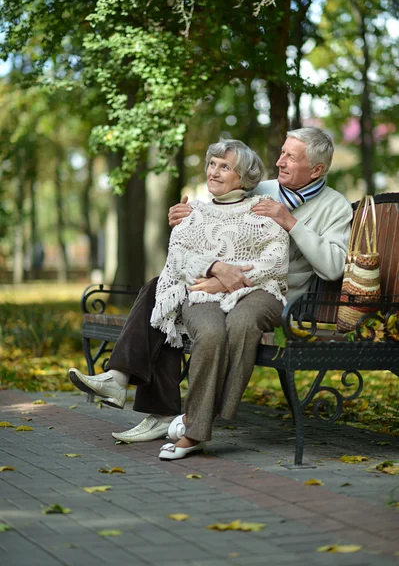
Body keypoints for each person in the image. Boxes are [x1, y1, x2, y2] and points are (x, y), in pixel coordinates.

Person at [69, 127, 353, 445]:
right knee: (162, 291)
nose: (280, 161)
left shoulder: (335, 207)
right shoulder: (264, 188)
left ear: (317, 169)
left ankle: (157, 405)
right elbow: (219, 216)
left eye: (291, 156)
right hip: (223, 286)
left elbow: (332, 267)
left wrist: (290, 222)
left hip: (278, 297)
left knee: (172, 296)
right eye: (282, 152)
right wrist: (186, 215)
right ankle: (123, 381)